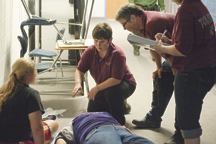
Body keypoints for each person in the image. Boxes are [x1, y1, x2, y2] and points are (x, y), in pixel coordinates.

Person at [151, 0, 216, 143]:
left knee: (188, 123)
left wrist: (160, 48)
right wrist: (169, 42)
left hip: (192, 72)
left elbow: (181, 50)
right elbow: (191, 41)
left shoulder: (185, 11)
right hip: (207, 67)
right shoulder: (198, 5)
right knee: (190, 116)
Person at [116, 2, 176, 127]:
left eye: (124, 24)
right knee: (160, 76)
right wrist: (158, 66)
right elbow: (153, 46)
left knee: (182, 90)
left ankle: (181, 132)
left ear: (132, 18)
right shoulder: (144, 23)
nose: (124, 28)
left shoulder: (152, 23)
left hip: (190, 58)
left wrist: (177, 76)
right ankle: (153, 119)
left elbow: (171, 53)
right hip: (177, 55)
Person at [72, 23, 136, 125]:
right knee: (92, 112)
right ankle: (122, 106)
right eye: (96, 41)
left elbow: (116, 79)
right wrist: (78, 83)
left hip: (124, 83)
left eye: (102, 42)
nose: (98, 45)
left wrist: (96, 88)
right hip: (104, 85)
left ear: (110, 40)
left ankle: (119, 123)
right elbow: (80, 70)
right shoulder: (90, 51)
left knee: (111, 93)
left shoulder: (118, 54)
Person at [0, 58, 58, 144]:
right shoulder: (31, 94)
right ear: (28, 75)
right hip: (21, 141)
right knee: (54, 124)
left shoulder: (4, 90)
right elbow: (37, 128)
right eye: (35, 71)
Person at [53, 111, 155, 144]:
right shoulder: (76, 120)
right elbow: (61, 138)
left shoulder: (105, 114)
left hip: (122, 131)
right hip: (96, 131)